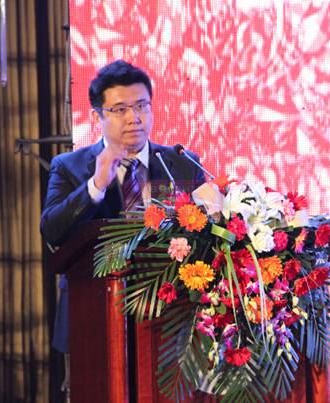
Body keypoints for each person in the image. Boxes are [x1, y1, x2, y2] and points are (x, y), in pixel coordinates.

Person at [40, 60, 206, 355]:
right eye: (120, 110)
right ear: (97, 116)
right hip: (92, 316)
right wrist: (96, 185)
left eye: (141, 106)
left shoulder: (181, 163)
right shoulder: (69, 166)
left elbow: (205, 234)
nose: (134, 118)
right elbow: (52, 231)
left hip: (170, 320)